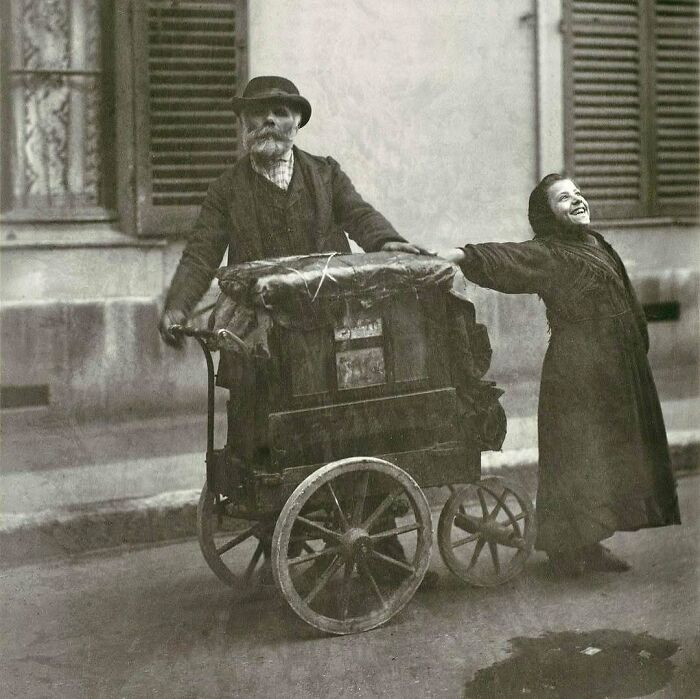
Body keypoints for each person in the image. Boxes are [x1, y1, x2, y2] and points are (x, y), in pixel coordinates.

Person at [435, 173, 681, 577]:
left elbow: (627, 298)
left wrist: (637, 346)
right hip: (578, 372)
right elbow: (508, 257)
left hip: (617, 369)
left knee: (605, 457)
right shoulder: (549, 253)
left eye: (579, 194)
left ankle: (591, 543)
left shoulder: (597, 244)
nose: (578, 201)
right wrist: (461, 255)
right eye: (564, 199)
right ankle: (565, 552)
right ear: (547, 215)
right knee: (576, 458)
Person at [159, 75, 424, 343]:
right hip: (258, 333)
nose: (269, 120)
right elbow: (200, 256)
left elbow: (360, 215)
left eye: (280, 112)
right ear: (242, 122)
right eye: (258, 112)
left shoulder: (326, 175)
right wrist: (177, 307)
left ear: (297, 123)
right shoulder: (225, 189)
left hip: (328, 324)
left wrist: (386, 240)